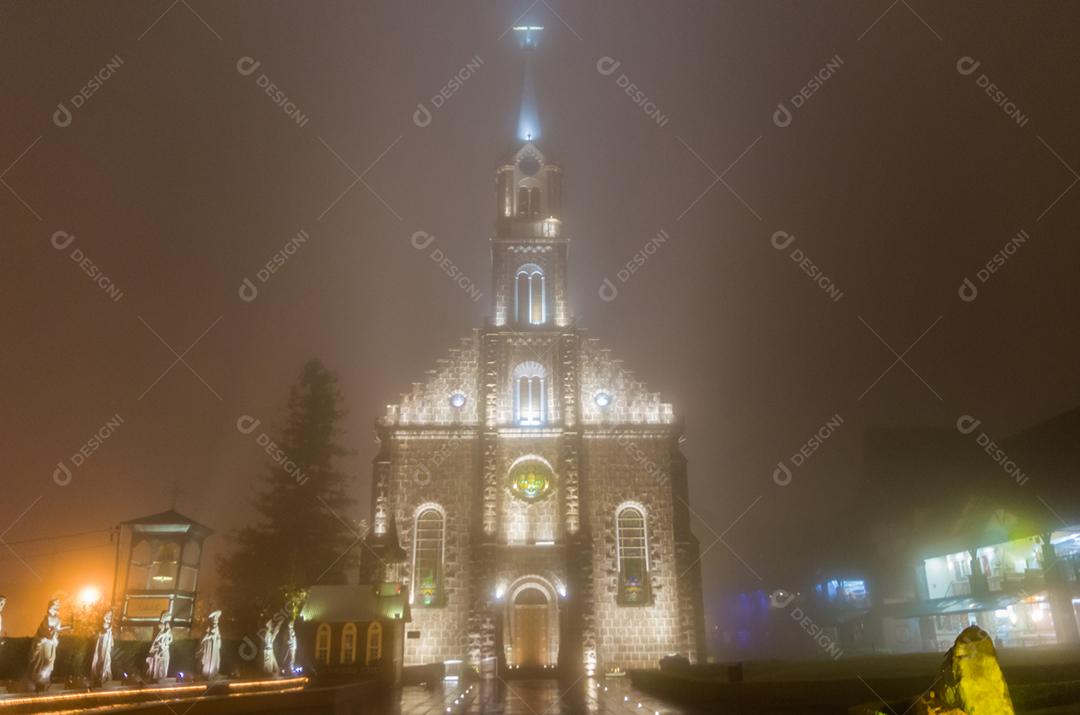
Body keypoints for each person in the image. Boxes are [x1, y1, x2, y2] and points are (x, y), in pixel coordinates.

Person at [29, 598, 68, 691]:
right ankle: (40, 679)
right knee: (45, 660)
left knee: (50, 661)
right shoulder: (47, 618)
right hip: (46, 641)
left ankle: (45, 679)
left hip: (52, 643)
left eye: (58, 605)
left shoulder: (57, 619)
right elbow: (47, 630)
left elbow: (57, 629)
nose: (57, 607)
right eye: (55, 605)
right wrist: (52, 631)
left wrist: (67, 627)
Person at [145, 611, 173, 682]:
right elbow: (157, 638)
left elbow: (171, 639)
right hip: (159, 649)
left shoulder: (167, 628)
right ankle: (157, 678)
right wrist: (165, 634)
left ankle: (162, 678)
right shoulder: (159, 626)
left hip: (165, 648)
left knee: (165, 663)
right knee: (159, 664)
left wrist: (168, 636)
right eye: (168, 619)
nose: (168, 621)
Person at [91, 611, 114, 685]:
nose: (109, 618)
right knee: (103, 659)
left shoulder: (110, 625)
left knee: (107, 659)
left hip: (107, 643)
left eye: (110, 617)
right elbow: (103, 632)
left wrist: (111, 642)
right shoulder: (104, 624)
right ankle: (101, 674)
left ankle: (106, 674)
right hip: (103, 643)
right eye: (108, 616)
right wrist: (108, 629)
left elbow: (110, 636)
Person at [197, 610, 222, 679]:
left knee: (215, 658)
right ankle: (207, 673)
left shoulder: (217, 627)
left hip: (215, 645)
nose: (216, 620)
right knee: (209, 658)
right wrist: (210, 636)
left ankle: (214, 672)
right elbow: (205, 636)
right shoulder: (208, 627)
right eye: (215, 618)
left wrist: (218, 640)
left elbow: (218, 636)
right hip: (210, 645)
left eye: (217, 618)